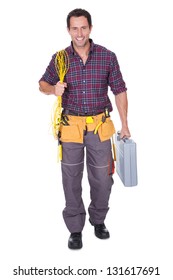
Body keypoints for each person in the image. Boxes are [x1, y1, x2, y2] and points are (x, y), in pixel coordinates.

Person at [39, 8, 130, 250]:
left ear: (90, 28)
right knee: (71, 179)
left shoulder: (107, 56)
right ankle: (75, 228)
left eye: (83, 27)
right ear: (68, 30)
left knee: (102, 177)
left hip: (99, 125)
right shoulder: (60, 58)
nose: (79, 33)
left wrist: (125, 125)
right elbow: (42, 84)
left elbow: (119, 90)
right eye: (74, 28)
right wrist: (52, 89)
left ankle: (98, 220)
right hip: (71, 126)